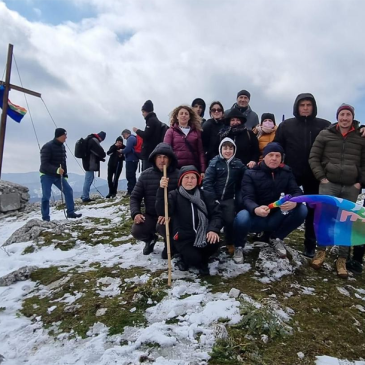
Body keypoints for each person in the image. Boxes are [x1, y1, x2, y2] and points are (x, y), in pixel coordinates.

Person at [309, 103, 365, 278]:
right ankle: (321, 252)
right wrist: (321, 177)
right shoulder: (325, 134)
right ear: (337, 117)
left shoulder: (361, 137)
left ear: (352, 117)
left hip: (351, 186)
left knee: (346, 222)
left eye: (348, 114)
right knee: (324, 218)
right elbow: (314, 157)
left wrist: (359, 183)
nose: (345, 118)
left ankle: (341, 259)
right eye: (342, 114)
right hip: (329, 183)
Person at [274, 93, 331, 258]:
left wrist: (360, 127)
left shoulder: (324, 125)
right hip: (292, 173)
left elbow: (343, 130)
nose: (305, 108)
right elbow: (277, 146)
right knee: (280, 202)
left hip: (314, 174)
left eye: (308, 105)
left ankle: (310, 244)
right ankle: (272, 235)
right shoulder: (286, 125)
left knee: (313, 210)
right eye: (302, 105)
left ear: (313, 107)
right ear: (297, 107)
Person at [233, 142, 307, 264]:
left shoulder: (286, 173)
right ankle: (239, 246)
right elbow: (247, 198)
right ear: (264, 157)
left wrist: (294, 202)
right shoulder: (250, 173)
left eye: (277, 155)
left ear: (281, 158)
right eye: (271, 155)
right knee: (242, 217)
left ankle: (277, 238)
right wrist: (256, 209)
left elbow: (297, 191)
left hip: (276, 216)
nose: (274, 158)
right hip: (256, 216)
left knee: (302, 210)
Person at [156, 165, 222, 275]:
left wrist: (213, 229)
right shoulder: (174, 195)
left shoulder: (205, 195)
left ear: (198, 180)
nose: (190, 181)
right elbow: (162, 210)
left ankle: (197, 258)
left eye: (193, 178)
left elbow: (217, 214)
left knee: (214, 243)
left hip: (203, 234)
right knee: (194, 258)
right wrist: (161, 189)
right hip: (183, 238)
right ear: (181, 180)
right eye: (186, 178)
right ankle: (188, 258)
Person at [130, 142, 179, 258]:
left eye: (165, 157)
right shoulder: (146, 175)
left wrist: (171, 214)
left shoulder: (178, 175)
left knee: (163, 226)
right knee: (137, 230)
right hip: (151, 215)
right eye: (159, 157)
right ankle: (150, 240)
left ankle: (170, 244)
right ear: (154, 158)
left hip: (171, 216)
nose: (162, 160)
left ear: (170, 159)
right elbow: (135, 197)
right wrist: (136, 213)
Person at [203, 138, 246, 255]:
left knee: (230, 220)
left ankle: (230, 242)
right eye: (225, 148)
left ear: (234, 150)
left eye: (230, 148)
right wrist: (212, 199)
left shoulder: (238, 164)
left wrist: (254, 166)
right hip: (214, 198)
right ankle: (209, 239)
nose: (228, 151)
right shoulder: (214, 162)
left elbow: (246, 176)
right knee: (212, 218)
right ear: (220, 149)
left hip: (228, 198)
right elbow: (207, 182)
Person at [40, 128, 82, 221]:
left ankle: (70, 212)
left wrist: (65, 174)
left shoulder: (62, 146)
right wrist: (56, 170)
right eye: (64, 135)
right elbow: (44, 164)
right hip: (46, 175)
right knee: (46, 196)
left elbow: (63, 161)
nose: (66, 137)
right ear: (59, 135)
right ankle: (45, 218)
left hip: (58, 175)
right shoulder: (47, 147)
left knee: (68, 190)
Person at [164, 105, 206, 176]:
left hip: (192, 169)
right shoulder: (170, 131)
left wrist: (203, 170)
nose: (184, 115)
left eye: (186, 114)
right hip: (176, 169)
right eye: (181, 113)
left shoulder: (196, 132)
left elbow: (200, 152)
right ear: (177, 116)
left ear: (189, 117)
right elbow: (165, 151)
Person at [133, 100, 163, 171]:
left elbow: (146, 135)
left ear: (146, 111)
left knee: (147, 173)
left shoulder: (151, 121)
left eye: (143, 112)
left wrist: (137, 131)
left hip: (149, 153)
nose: (142, 114)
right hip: (154, 151)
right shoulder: (155, 120)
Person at [81, 131, 106, 203]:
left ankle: (84, 195)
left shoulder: (90, 139)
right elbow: (100, 152)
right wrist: (103, 156)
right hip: (90, 163)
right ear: (101, 138)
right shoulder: (94, 140)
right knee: (88, 179)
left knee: (88, 179)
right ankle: (85, 197)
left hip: (87, 162)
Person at [202, 101, 225, 165]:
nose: (216, 111)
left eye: (219, 110)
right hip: (211, 161)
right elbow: (204, 145)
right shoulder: (207, 125)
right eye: (213, 110)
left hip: (225, 158)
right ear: (210, 113)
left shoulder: (226, 125)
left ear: (222, 112)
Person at [121, 129, 139, 195]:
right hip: (134, 159)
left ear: (126, 134)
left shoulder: (130, 139)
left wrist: (121, 151)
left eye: (123, 135)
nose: (123, 137)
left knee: (130, 175)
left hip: (131, 160)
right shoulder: (134, 138)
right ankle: (132, 190)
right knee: (132, 175)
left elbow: (128, 149)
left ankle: (131, 191)